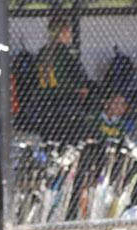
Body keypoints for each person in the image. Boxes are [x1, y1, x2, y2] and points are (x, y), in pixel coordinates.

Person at [28, 15, 90, 149]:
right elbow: (80, 82)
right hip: (66, 103)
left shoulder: (42, 53)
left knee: (50, 143)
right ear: (62, 32)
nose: (70, 35)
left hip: (45, 104)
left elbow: (33, 80)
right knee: (71, 143)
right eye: (68, 32)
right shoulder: (65, 53)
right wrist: (81, 91)